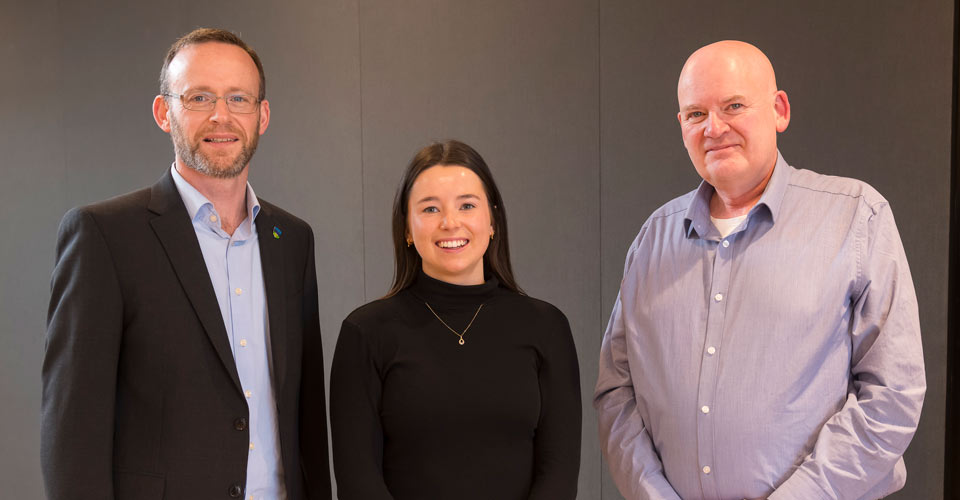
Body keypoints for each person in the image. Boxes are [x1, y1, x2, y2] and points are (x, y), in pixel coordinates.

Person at [594, 40, 925, 500]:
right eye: (695, 114)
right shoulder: (653, 239)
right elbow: (616, 392)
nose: (714, 128)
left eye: (733, 106)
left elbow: (892, 396)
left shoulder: (856, 218)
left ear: (779, 110)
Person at [41, 28, 331, 500]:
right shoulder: (104, 236)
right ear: (164, 112)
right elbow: (72, 430)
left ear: (262, 116)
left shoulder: (292, 240)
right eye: (199, 97)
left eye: (238, 98)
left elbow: (305, 414)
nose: (221, 115)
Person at [330, 140, 581, 500]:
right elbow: (358, 481)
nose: (450, 223)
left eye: (467, 205)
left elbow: (558, 472)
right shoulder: (366, 333)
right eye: (430, 209)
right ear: (406, 229)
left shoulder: (547, 327)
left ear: (492, 219)